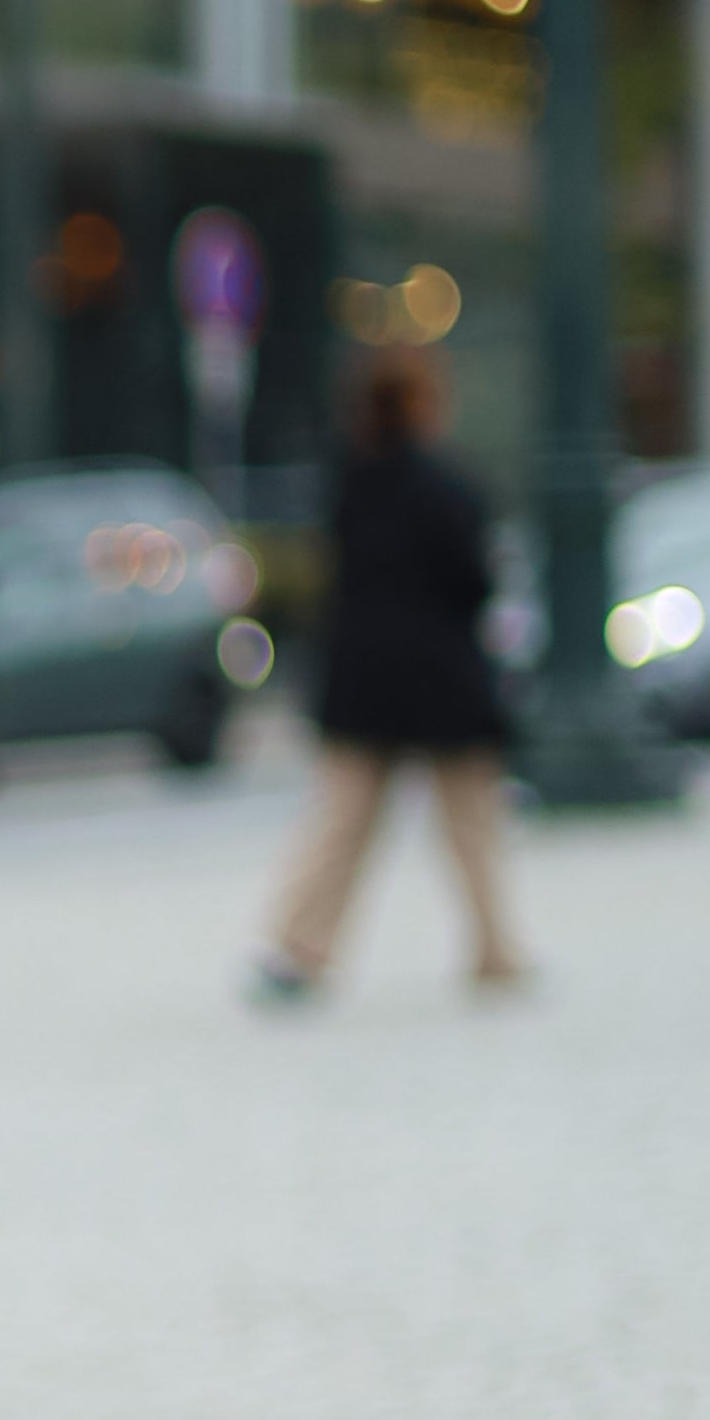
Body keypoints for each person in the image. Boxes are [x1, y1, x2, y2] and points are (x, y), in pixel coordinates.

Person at [250, 352, 527, 999]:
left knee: (342, 822)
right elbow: (476, 582)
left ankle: (297, 946)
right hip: (441, 680)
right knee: (471, 824)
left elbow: (334, 581)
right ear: (424, 404)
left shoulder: (350, 483)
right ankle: (495, 949)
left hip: (365, 682)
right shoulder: (447, 487)